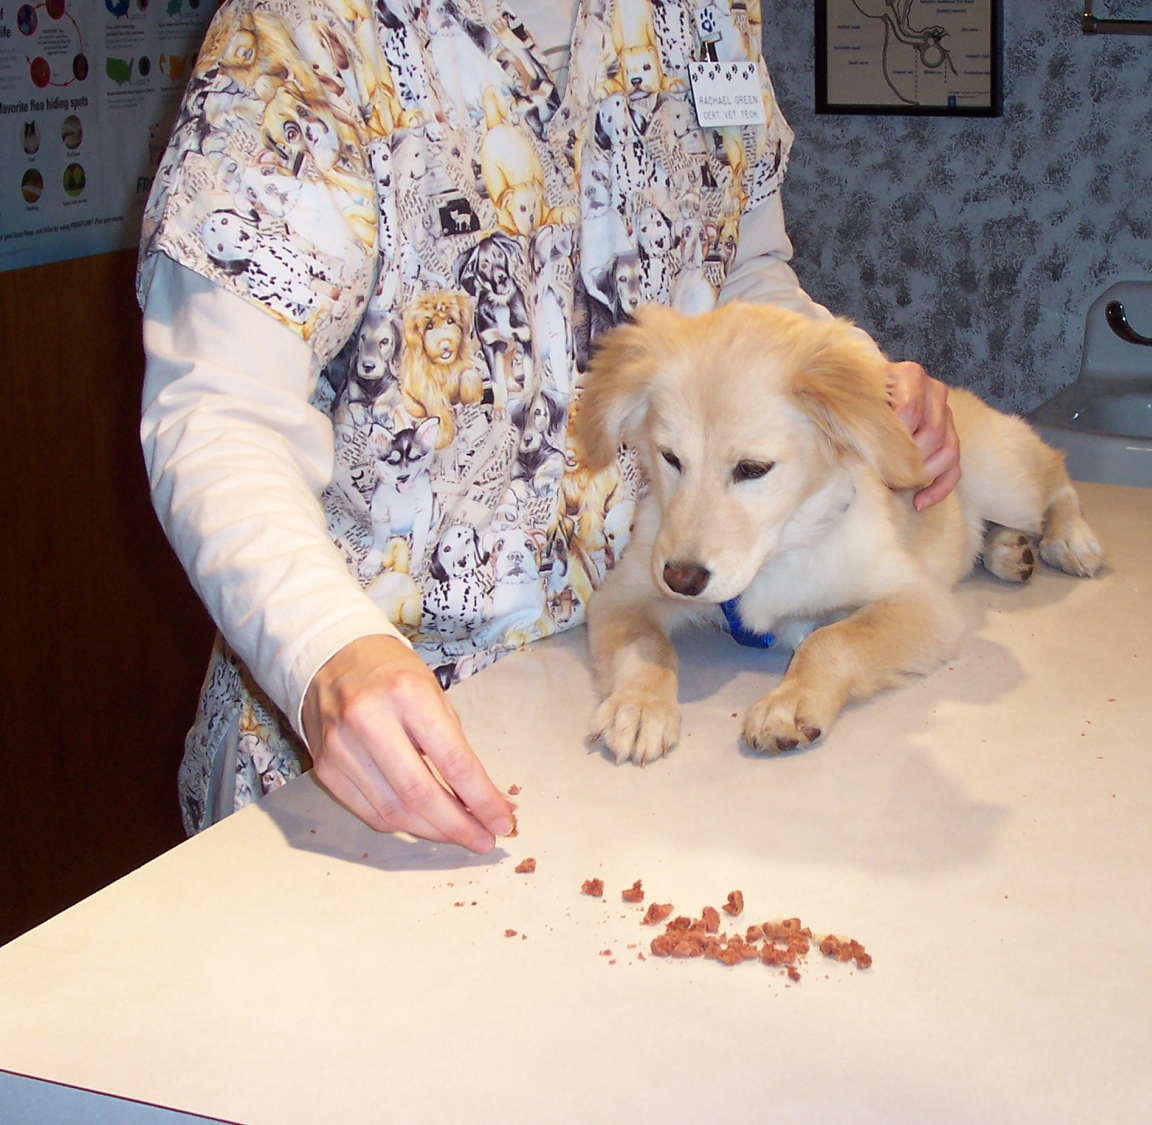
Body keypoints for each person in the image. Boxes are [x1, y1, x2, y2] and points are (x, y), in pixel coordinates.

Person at [138, 0, 960, 853]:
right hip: (380, 732)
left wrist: (862, 382)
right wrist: (328, 652)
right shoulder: (303, 34)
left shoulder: (706, 13)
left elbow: (742, 271)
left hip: (646, 672)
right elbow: (221, 411)